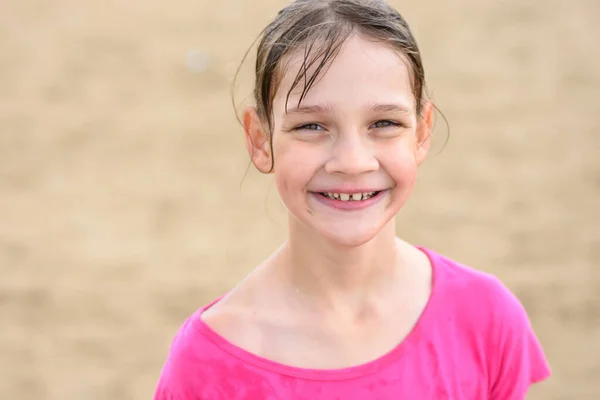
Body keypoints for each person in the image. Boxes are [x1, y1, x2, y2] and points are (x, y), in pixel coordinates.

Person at [153, 0, 551, 398]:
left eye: (384, 123)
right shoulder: (209, 363)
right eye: (311, 125)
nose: (352, 162)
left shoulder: (485, 318)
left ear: (421, 132)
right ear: (260, 140)